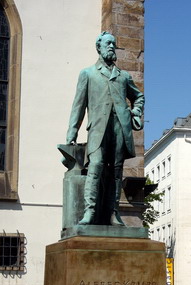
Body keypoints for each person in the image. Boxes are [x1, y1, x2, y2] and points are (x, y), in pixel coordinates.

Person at [66, 31, 144, 226]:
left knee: (116, 171)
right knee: (96, 165)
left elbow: (139, 97)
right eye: (108, 44)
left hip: (119, 127)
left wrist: (135, 112)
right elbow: (79, 105)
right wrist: (72, 131)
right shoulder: (88, 74)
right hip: (98, 129)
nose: (111, 47)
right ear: (98, 48)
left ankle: (113, 212)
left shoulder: (123, 76)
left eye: (114, 44)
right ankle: (90, 212)